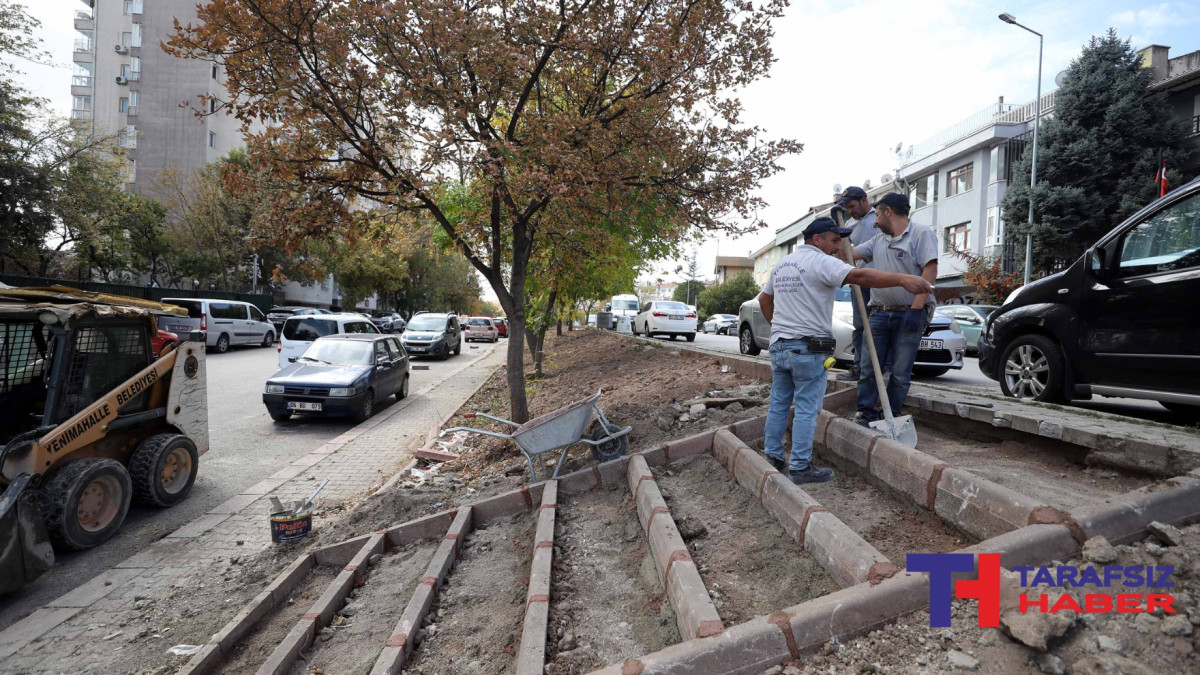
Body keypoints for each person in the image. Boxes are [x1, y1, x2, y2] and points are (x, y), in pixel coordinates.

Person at [758, 217, 934, 484]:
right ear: (817, 239)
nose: (838, 246)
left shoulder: (782, 265)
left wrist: (779, 328)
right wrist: (903, 280)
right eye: (833, 239)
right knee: (807, 408)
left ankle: (772, 456)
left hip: (781, 345)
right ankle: (800, 466)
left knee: (779, 403)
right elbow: (860, 275)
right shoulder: (820, 261)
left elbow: (764, 298)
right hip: (809, 346)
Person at [849, 193, 939, 427]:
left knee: (900, 372)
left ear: (888, 211)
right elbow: (850, 255)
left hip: (909, 314)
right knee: (870, 367)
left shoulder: (920, 233)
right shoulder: (878, 240)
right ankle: (866, 412)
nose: (875, 221)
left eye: (877, 215)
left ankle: (893, 414)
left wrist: (917, 308)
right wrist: (838, 236)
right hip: (879, 313)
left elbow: (929, 270)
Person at [834, 186, 878, 383]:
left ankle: (879, 369)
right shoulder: (849, 225)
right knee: (860, 326)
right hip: (859, 281)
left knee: (879, 327)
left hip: (881, 280)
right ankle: (859, 368)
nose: (850, 211)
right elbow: (845, 253)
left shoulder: (879, 219)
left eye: (852, 206)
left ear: (863, 200)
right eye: (847, 208)